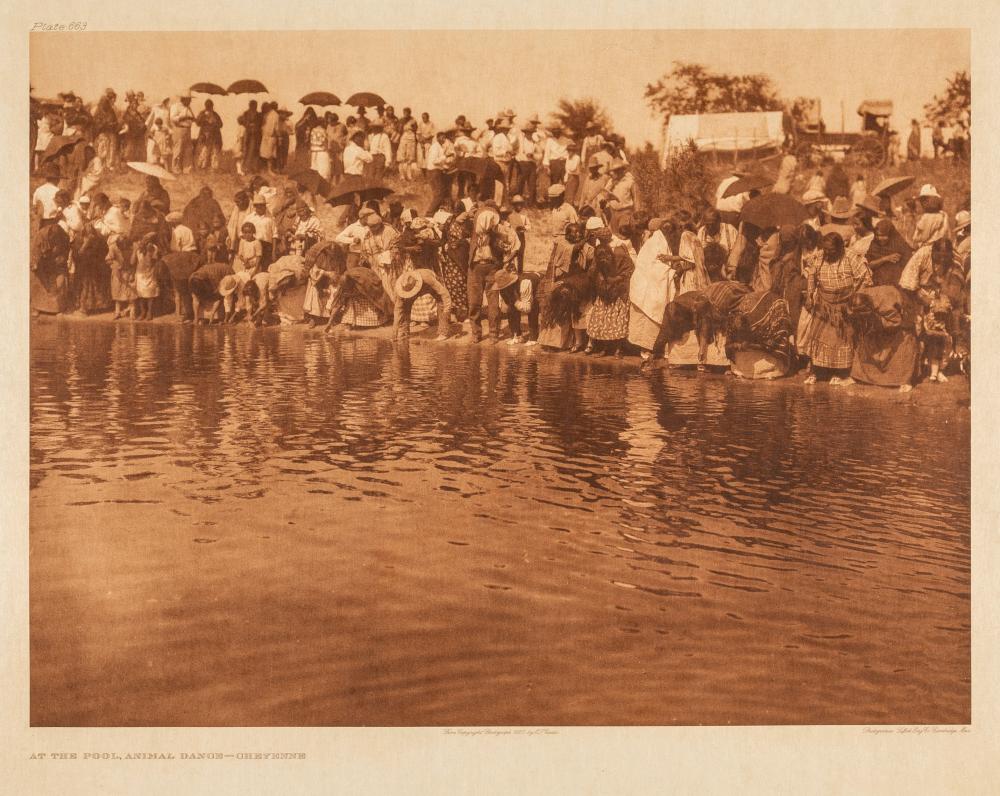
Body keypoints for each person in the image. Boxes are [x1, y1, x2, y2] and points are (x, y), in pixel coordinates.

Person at [797, 232, 873, 385]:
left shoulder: (851, 257)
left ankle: (840, 373)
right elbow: (812, 276)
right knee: (819, 338)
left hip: (845, 304)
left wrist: (855, 300)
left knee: (841, 339)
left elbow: (865, 279)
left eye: (831, 250)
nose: (828, 253)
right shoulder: (819, 257)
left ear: (839, 248)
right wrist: (810, 296)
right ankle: (817, 371)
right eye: (826, 250)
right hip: (823, 303)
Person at [846, 285, 920, 391]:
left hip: (902, 322)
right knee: (864, 339)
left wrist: (874, 321)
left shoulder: (887, 300)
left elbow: (896, 321)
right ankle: (860, 376)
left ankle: (904, 380)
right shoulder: (859, 296)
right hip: (878, 323)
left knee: (905, 341)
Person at [586, 226, 635, 357]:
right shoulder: (600, 250)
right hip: (605, 289)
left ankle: (619, 349)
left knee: (618, 320)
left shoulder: (619, 250)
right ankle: (605, 349)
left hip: (619, 290)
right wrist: (601, 280)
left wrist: (615, 279)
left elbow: (629, 269)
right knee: (604, 320)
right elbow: (594, 269)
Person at [537, 221, 584, 350]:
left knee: (566, 312)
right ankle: (551, 343)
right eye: (574, 232)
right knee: (556, 311)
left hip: (569, 281)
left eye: (579, 231)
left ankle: (564, 343)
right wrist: (585, 240)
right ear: (567, 234)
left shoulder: (574, 245)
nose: (578, 234)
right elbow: (573, 250)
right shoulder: (563, 244)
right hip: (559, 281)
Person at [392, 268, 452, 342]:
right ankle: (404, 333)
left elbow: (444, 294)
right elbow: (398, 310)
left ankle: (443, 332)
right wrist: (394, 332)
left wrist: (447, 310)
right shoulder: (401, 288)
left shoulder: (427, 278)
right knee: (404, 308)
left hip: (430, 286)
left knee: (441, 303)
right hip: (411, 290)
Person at [30, 210, 72, 316]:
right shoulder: (41, 236)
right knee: (40, 282)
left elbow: (67, 247)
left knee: (60, 282)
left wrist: (63, 257)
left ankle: (59, 308)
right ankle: (37, 307)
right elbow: (35, 253)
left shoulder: (62, 234)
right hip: (42, 262)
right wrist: (35, 263)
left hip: (57, 261)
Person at [865, 219, 912, 286]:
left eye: (883, 235)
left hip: (897, 283)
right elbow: (868, 265)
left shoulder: (900, 245)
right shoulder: (874, 244)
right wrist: (885, 259)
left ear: (891, 235)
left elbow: (909, 266)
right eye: (877, 235)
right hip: (877, 283)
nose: (879, 238)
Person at [425, 129, 456, 215]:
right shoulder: (435, 147)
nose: (444, 139)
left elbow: (439, 161)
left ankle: (435, 212)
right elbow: (434, 161)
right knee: (439, 194)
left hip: (436, 171)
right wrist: (446, 156)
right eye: (442, 138)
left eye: (445, 138)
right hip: (434, 172)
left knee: (440, 193)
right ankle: (429, 212)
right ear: (438, 138)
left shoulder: (439, 147)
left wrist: (445, 166)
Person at [131, 235, 161, 320]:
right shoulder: (138, 249)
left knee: (150, 294)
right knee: (140, 294)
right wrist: (134, 250)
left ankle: (149, 312)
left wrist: (147, 250)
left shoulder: (153, 248)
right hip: (140, 273)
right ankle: (143, 312)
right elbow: (132, 262)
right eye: (141, 240)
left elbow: (149, 263)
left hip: (150, 272)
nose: (141, 241)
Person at [604, 159, 636, 234]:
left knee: (624, 233)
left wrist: (635, 213)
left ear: (620, 171)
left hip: (625, 212)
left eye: (615, 171)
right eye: (612, 171)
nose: (612, 173)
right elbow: (605, 194)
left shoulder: (629, 181)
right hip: (613, 213)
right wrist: (611, 185)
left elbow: (635, 198)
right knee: (615, 235)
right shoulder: (611, 182)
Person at [245, 193, 277, 267]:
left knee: (265, 267)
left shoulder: (271, 218)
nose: (259, 207)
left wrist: (274, 251)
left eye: (261, 205)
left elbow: (275, 235)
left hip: (267, 247)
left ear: (265, 206)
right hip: (253, 245)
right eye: (257, 205)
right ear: (254, 206)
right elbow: (242, 234)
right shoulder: (249, 218)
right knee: (252, 267)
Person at [93, 88, 120, 174]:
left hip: (111, 132)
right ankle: (101, 166)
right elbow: (98, 121)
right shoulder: (101, 108)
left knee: (111, 149)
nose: (114, 101)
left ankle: (109, 166)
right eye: (113, 100)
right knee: (103, 148)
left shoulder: (111, 109)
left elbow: (114, 120)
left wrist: (114, 124)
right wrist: (107, 124)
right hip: (103, 132)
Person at [169, 94, 195, 174]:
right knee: (178, 149)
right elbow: (172, 118)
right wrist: (182, 117)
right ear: (183, 99)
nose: (190, 101)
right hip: (179, 129)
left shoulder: (188, 107)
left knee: (188, 149)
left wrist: (191, 118)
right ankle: (176, 168)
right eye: (189, 99)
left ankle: (187, 168)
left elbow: (192, 117)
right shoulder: (175, 106)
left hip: (187, 130)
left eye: (190, 99)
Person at [196, 99, 224, 171]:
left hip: (215, 136)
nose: (209, 107)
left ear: (212, 106)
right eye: (207, 106)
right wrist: (204, 118)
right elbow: (198, 123)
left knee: (214, 151)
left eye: (210, 106)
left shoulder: (215, 114)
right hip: (205, 135)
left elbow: (220, 124)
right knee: (205, 151)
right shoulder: (202, 114)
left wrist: (214, 121)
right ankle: (201, 166)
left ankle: (213, 167)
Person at [238, 100, 262, 175]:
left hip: (256, 135)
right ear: (250, 105)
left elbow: (260, 123)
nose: (254, 106)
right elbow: (243, 121)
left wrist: (255, 125)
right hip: (248, 134)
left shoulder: (258, 115)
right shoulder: (246, 113)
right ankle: (246, 167)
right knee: (247, 150)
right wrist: (249, 124)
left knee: (255, 151)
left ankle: (253, 168)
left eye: (255, 105)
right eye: (252, 105)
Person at [259, 101, 280, 175]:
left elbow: (263, 126)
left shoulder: (268, 114)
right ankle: (268, 170)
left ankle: (268, 169)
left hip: (267, 136)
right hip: (270, 136)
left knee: (267, 154)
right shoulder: (274, 115)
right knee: (269, 154)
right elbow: (276, 127)